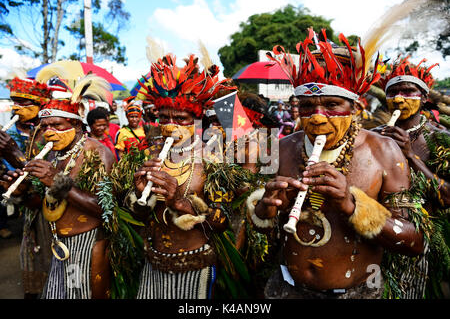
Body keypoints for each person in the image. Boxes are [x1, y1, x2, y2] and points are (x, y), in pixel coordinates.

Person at [248, 29, 428, 299]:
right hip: (286, 289)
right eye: (307, 106)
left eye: (332, 105)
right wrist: (266, 209)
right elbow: (258, 230)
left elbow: (415, 242)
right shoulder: (282, 147)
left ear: (354, 109)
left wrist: (353, 205)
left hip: (357, 292)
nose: (317, 118)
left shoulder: (384, 151)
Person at [129, 52, 249, 299]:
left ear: (196, 121)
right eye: (164, 118)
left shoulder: (212, 159)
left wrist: (180, 203)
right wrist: (139, 195)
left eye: (180, 118)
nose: (170, 125)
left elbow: (221, 222)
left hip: (195, 266)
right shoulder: (148, 154)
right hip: (152, 262)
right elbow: (136, 215)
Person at [1, 73, 115, 299]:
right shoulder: (53, 153)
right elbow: (42, 201)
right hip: (57, 242)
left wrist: (57, 181)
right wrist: (22, 193)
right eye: (45, 126)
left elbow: (105, 210)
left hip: (86, 244)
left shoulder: (97, 153)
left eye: (57, 125)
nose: (50, 132)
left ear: (75, 123)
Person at [373, 56, 450, 298]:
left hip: (427, 247)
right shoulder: (371, 137)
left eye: (408, 91)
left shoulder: (440, 139)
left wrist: (410, 156)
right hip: (379, 240)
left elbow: (447, 197)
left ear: (424, 98)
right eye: (393, 92)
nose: (398, 98)